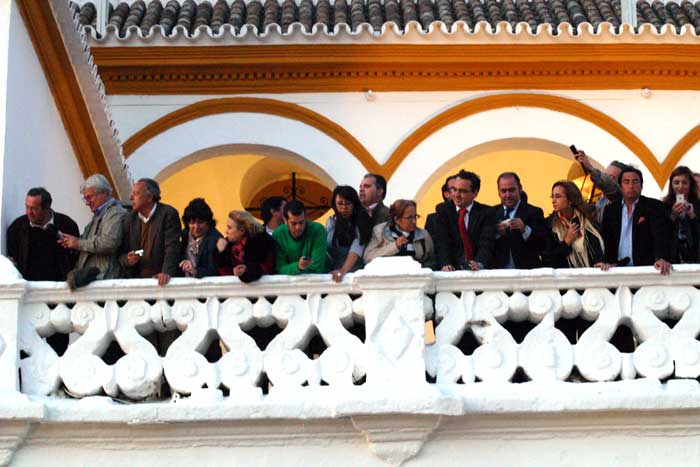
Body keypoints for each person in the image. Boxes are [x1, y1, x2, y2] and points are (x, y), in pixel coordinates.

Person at [58, 175, 126, 286]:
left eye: (89, 197)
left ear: (104, 193)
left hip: (105, 280)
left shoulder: (115, 213)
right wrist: (69, 242)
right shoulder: (98, 215)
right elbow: (86, 241)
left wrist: (77, 243)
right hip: (95, 281)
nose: (87, 202)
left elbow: (108, 243)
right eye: (85, 198)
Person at [601, 167, 672, 274]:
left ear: (641, 186)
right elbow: (606, 238)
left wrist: (660, 258)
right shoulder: (610, 210)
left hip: (646, 269)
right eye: (626, 182)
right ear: (620, 186)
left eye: (635, 182)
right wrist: (606, 261)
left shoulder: (654, 206)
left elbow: (660, 235)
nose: (631, 186)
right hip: (616, 270)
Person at [7, 187, 79, 281]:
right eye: (27, 207)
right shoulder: (17, 228)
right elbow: (13, 262)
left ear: (46, 208)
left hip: (61, 289)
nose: (29, 212)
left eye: (34, 208)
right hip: (29, 289)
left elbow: (75, 258)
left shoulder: (67, 225)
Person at [120, 178, 181, 286]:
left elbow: (172, 247)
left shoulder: (168, 214)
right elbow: (121, 253)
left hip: (163, 281)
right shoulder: (130, 219)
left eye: (135, 193)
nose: (130, 198)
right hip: (139, 282)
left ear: (149, 197)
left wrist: (166, 272)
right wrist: (128, 259)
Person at [434, 170, 494, 271]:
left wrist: (479, 263)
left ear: (475, 193)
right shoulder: (443, 210)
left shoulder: (486, 212)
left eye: (462, 191)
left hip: (478, 271)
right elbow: (442, 242)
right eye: (454, 189)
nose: (457, 195)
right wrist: (446, 263)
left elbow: (486, 243)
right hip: (452, 272)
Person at [542, 180, 607, 268]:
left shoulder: (588, 219)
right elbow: (549, 259)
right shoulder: (549, 224)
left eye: (558, 196)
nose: (553, 200)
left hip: (592, 274)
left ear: (570, 200)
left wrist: (600, 262)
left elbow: (597, 245)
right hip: (566, 277)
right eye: (552, 196)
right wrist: (566, 242)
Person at [492, 172, 546, 269]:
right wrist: (496, 233)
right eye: (503, 191)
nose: (508, 195)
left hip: (526, 273)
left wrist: (525, 230)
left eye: (511, 190)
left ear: (520, 189)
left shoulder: (534, 212)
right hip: (498, 274)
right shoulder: (491, 213)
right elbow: (483, 246)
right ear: (498, 192)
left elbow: (543, 245)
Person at [364, 199, 434, 268]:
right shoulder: (379, 231)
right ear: (396, 219)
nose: (414, 221)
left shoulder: (424, 235)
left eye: (415, 216)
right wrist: (395, 246)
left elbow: (432, 260)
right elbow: (367, 257)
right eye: (409, 218)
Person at [326, 186, 372, 282]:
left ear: (354, 204)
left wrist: (342, 271)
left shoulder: (362, 221)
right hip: (332, 272)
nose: (343, 207)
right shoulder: (331, 221)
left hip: (354, 274)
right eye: (340, 203)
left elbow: (356, 249)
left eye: (348, 203)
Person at [215, 210, 275, 282]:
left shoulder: (261, 243)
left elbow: (264, 268)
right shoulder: (228, 245)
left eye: (229, 228)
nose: (226, 232)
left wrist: (246, 270)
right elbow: (223, 272)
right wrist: (221, 252)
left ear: (242, 230)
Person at [272, 200, 328, 274]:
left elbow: (317, 267)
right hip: (289, 283)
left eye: (301, 222)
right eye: (294, 223)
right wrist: (298, 266)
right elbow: (280, 268)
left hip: (320, 281)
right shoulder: (278, 234)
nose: (298, 227)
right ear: (285, 220)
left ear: (306, 218)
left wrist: (296, 268)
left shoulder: (318, 230)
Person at [574, 150, 627, 223]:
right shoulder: (601, 200)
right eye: (605, 175)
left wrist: (591, 168)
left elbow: (611, 188)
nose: (606, 178)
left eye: (611, 177)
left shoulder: (621, 199)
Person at [660, 166, 699, 264]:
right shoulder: (663, 206)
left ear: (690, 184)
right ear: (671, 185)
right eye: (676, 182)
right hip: (672, 258)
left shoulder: (697, 205)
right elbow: (661, 234)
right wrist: (672, 216)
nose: (680, 186)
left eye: (684, 182)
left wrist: (693, 216)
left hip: (695, 258)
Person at [178, 198, 222, 278]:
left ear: (208, 222)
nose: (196, 227)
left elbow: (215, 270)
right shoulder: (184, 234)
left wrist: (195, 271)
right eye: (192, 222)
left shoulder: (215, 239)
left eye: (200, 222)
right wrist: (184, 261)